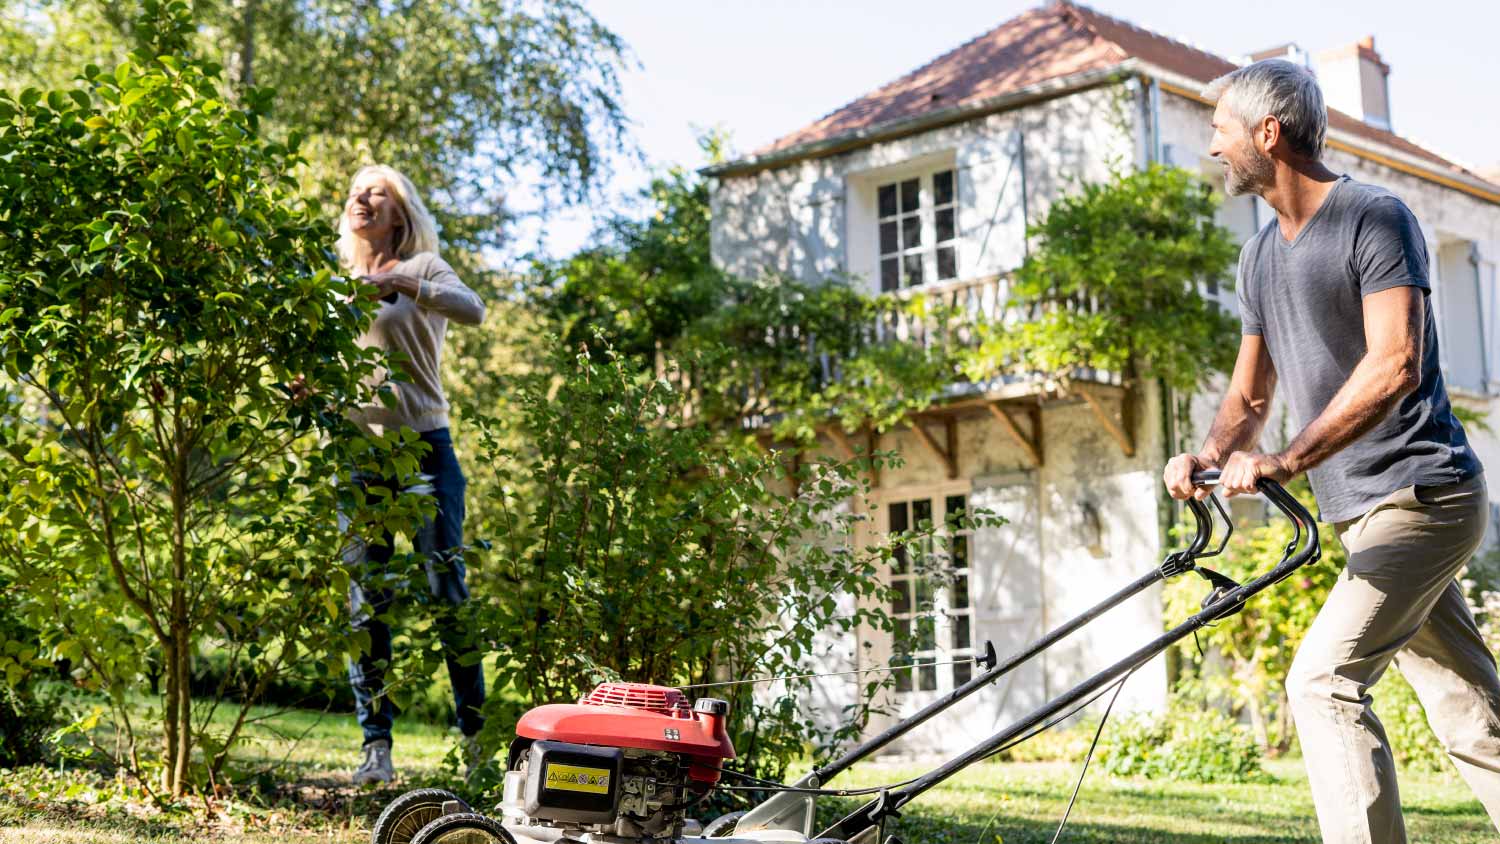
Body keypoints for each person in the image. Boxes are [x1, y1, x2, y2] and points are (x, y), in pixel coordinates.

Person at [1163, 59, 1500, 843]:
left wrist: (1287, 459)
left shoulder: (1373, 219)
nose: (1214, 147)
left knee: (1320, 682)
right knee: (1469, 713)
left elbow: (1395, 362)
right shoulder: (1258, 259)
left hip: (1424, 497)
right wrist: (1208, 456)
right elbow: (1249, 399)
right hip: (1362, 515)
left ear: (1267, 134)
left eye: (1221, 131)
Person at [335, 164, 488, 785]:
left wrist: (402, 281)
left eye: (377, 194)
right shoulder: (337, 283)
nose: (361, 201)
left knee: (445, 589)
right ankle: (377, 748)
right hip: (358, 455)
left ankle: (475, 738)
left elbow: (474, 310)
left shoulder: (423, 269)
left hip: (426, 448)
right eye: (355, 194)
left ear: (400, 214)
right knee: (364, 602)